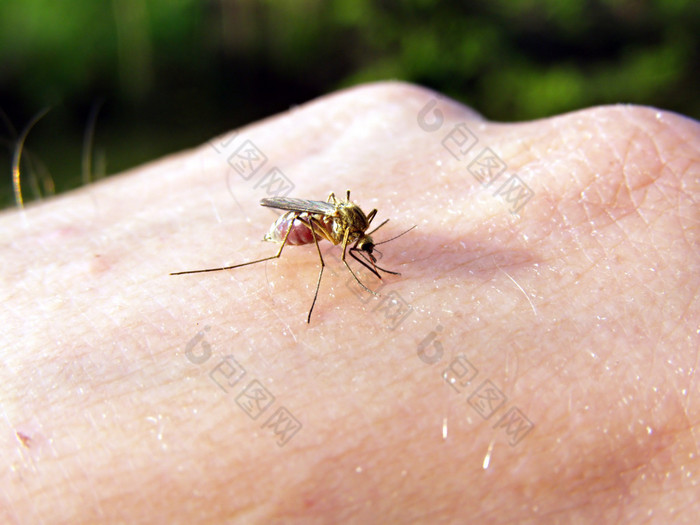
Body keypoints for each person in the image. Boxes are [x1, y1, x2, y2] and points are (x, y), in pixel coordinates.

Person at [3, 82, 698, 523]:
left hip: (325, 215)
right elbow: (322, 224)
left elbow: (354, 228)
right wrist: (324, 249)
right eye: (362, 243)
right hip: (293, 223)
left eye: (363, 243)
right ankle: (249, 261)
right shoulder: (326, 227)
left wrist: (364, 245)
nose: (364, 247)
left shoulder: (355, 226)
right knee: (306, 247)